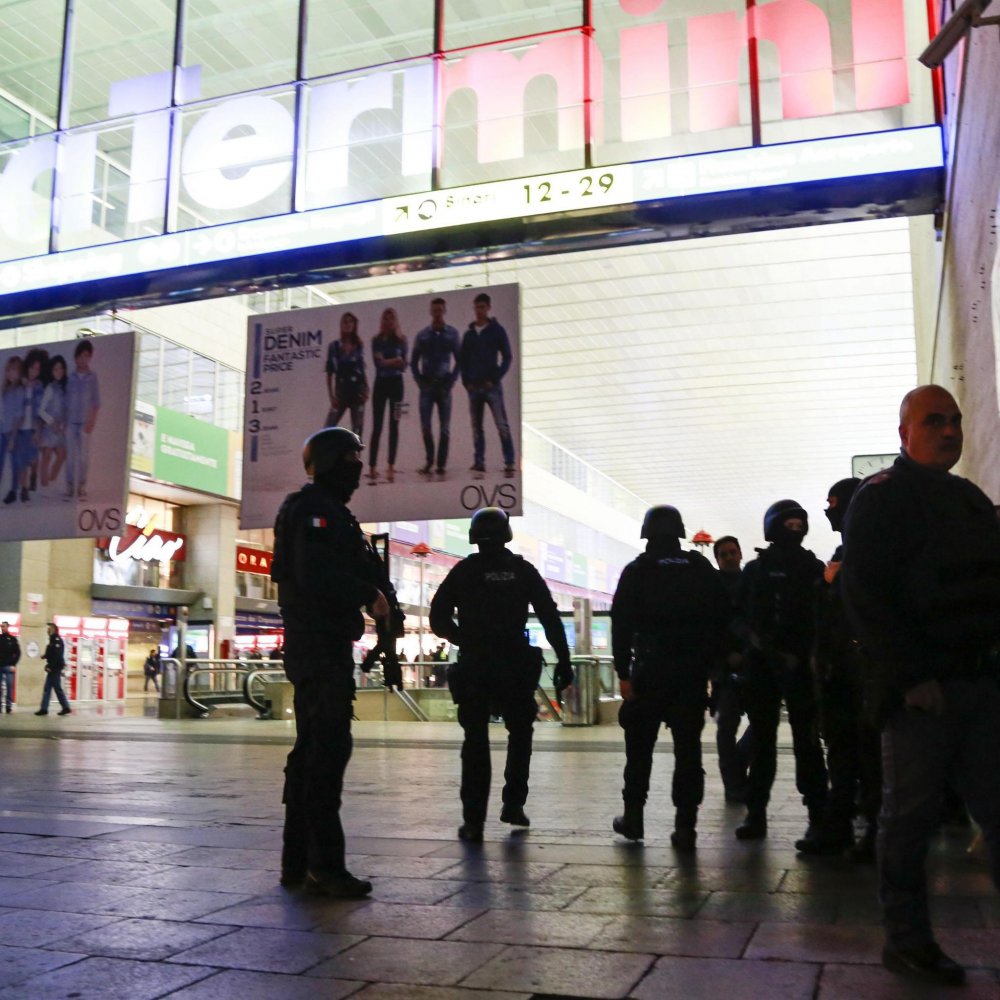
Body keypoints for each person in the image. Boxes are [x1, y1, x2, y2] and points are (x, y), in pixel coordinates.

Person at [841, 385, 1000, 986]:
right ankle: (907, 943)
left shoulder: (967, 498)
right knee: (909, 821)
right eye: (934, 421)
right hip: (922, 696)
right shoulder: (882, 497)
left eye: (955, 420)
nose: (949, 430)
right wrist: (910, 676)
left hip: (978, 685)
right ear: (904, 433)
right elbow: (866, 596)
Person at [270, 426, 402, 896]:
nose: (358, 468)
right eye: (350, 459)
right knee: (325, 750)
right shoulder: (314, 511)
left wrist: (382, 601)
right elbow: (316, 574)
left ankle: (298, 860)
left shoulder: (334, 514)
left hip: (324, 646)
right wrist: (366, 593)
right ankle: (324, 866)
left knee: (315, 749)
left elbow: (356, 570)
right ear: (328, 462)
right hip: (317, 645)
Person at [429, 506, 573, 842]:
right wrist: (564, 660)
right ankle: (513, 804)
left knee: (475, 742)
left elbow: (438, 617)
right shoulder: (522, 571)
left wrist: (464, 638)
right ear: (507, 534)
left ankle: (473, 821)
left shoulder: (464, 571)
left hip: (476, 666)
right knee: (520, 735)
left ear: (473, 537)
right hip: (514, 665)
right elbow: (549, 616)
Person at [610, 506, 731, 850]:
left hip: (649, 670)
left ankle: (633, 817)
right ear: (679, 531)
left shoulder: (638, 569)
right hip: (691, 672)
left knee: (639, 749)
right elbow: (722, 616)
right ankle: (685, 826)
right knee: (688, 750)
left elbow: (621, 623)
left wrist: (623, 672)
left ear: (647, 532)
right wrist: (713, 666)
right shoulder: (698, 567)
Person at [796, 477, 881, 861]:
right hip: (840, 673)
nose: (828, 511)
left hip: (861, 673)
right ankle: (841, 827)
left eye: (833, 504)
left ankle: (871, 833)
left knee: (867, 755)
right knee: (845, 753)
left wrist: (837, 579)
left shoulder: (867, 551)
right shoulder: (847, 551)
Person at [736, 500, 827, 842]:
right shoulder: (757, 570)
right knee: (764, 743)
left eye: (799, 524)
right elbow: (737, 616)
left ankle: (816, 813)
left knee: (807, 743)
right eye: (789, 525)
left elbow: (822, 617)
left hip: (798, 664)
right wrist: (756, 644)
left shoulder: (811, 567)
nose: (796, 530)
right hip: (764, 664)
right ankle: (756, 813)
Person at [710, 535, 753, 803]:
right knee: (726, 726)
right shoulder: (712, 587)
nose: (729, 557)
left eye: (732, 552)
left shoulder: (751, 581)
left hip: (750, 664)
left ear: (740, 553)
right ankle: (733, 782)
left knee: (760, 723)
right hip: (725, 668)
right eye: (723, 554)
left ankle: (736, 768)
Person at [459, 293, 515, 476]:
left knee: (501, 424)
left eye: (482, 307)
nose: (479, 311)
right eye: (477, 307)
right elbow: (463, 360)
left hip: (491, 386)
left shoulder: (497, 331)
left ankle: (509, 461)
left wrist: (495, 378)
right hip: (474, 387)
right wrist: (466, 381)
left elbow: (507, 357)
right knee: (477, 427)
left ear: (488, 308)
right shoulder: (469, 335)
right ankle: (479, 461)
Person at [410, 297, 460, 476]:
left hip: (444, 385)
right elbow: (413, 362)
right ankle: (429, 460)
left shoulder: (452, 334)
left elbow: (459, 360)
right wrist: (419, 382)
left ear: (444, 311)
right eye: (435, 310)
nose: (437, 313)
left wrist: (452, 381)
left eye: (440, 310)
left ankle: (441, 464)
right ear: (431, 311)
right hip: (427, 386)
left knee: (444, 428)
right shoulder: (422, 335)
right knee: (426, 426)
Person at [368, 307, 407, 483]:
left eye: (392, 318)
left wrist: (389, 361)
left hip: (397, 386)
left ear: (395, 321)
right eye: (386, 318)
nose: (389, 321)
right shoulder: (376, 340)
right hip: (381, 385)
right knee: (377, 426)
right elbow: (379, 364)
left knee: (394, 425)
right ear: (382, 321)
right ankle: (372, 467)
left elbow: (405, 365)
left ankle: (391, 466)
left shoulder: (402, 340)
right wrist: (394, 361)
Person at [65, 339, 100, 501]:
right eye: (80, 356)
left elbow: (96, 402)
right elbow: (65, 401)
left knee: (84, 457)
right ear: (75, 357)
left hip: (84, 423)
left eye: (86, 356)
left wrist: (91, 422)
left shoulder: (92, 378)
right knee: (71, 457)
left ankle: (82, 487)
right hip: (70, 422)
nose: (83, 359)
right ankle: (70, 486)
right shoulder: (70, 377)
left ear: (90, 357)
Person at [325, 312, 368, 437]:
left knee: (357, 431)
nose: (348, 324)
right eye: (345, 322)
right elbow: (329, 372)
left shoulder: (358, 345)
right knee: (328, 428)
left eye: (350, 322)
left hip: (357, 391)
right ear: (341, 325)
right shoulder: (334, 346)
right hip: (341, 391)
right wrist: (331, 395)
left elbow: (361, 369)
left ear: (354, 325)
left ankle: (354, 451)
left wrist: (366, 389)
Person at [38, 354, 68, 494]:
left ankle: (51, 482)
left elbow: (64, 409)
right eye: (56, 369)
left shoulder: (63, 388)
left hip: (60, 429)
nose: (59, 371)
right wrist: (52, 422)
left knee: (62, 456)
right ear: (51, 371)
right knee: (47, 457)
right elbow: (41, 410)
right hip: (50, 428)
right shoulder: (50, 388)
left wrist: (63, 424)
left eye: (61, 368)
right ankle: (44, 487)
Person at [1, 356, 24, 505]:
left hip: (12, 432)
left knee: (15, 463)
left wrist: (13, 437)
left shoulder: (19, 390)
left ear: (19, 372)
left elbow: (18, 415)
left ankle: (14, 491)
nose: (11, 373)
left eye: (14, 370)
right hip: (2, 431)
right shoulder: (5, 389)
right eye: (9, 370)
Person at [36, 622, 71, 716]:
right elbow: (52, 653)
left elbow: (57, 656)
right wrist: (45, 656)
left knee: (56, 688)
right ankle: (44, 709)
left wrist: (50, 667)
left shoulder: (57, 640)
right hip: (53, 667)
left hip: (55, 668)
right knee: (47, 688)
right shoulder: (52, 640)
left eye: (49, 628)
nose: (47, 630)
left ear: (54, 630)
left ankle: (65, 707)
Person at [0, 621, 20, 714]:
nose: (2, 628)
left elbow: (18, 653)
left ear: (7, 627)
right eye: (1, 626)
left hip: (9, 666)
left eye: (4, 626)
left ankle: (8, 706)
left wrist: (13, 664)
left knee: (9, 686)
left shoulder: (12, 639)